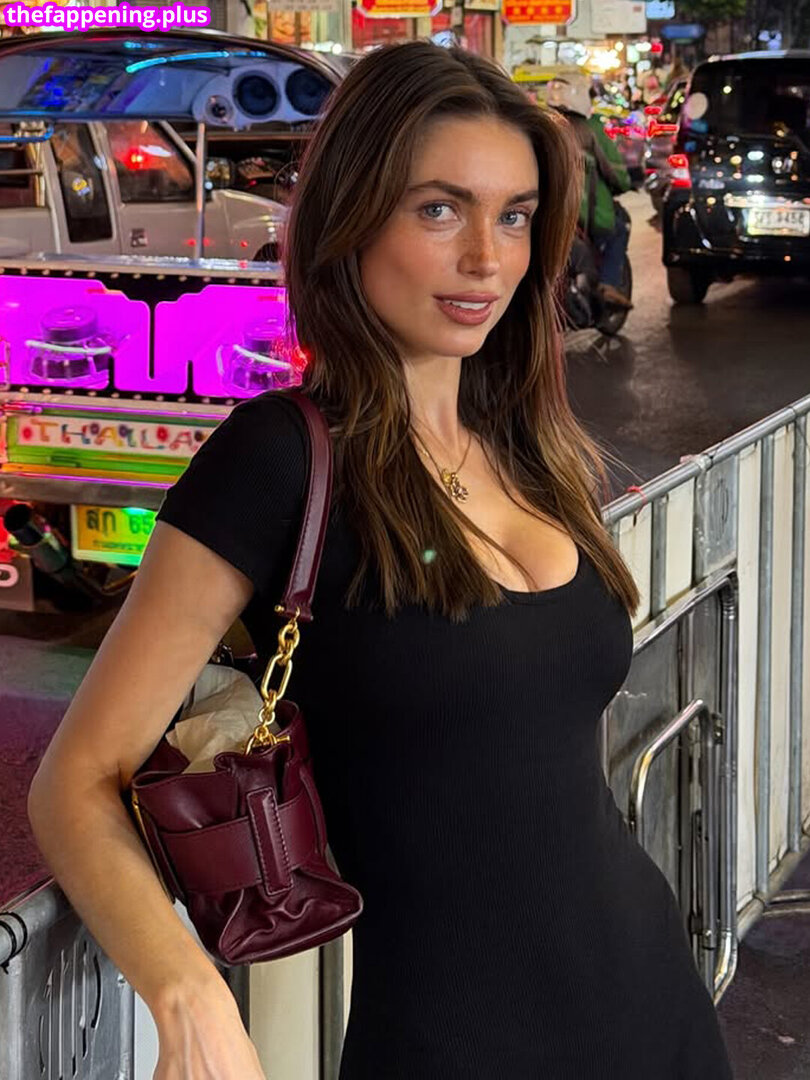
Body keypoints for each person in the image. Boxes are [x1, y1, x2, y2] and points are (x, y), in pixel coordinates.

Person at [28, 42, 735, 1080]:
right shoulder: (279, 458)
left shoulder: (527, 445)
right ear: (350, 218)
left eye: (514, 216)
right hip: (454, 1046)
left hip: (655, 1007)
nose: (487, 259)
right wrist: (187, 998)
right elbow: (76, 780)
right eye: (439, 210)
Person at [546, 72, 633, 309]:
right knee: (620, 227)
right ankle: (609, 284)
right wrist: (624, 183)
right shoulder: (591, 128)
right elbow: (615, 171)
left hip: (548, 206)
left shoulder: (543, 125)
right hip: (583, 211)